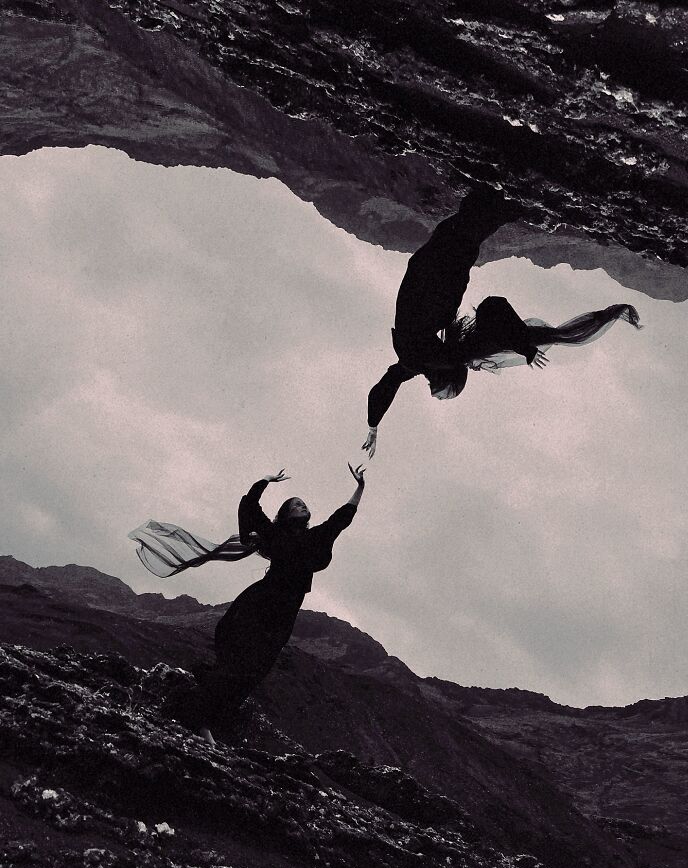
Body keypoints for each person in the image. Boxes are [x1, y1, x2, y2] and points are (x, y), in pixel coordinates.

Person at [362, 188, 641, 457]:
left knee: (482, 218)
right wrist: (524, 345)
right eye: (445, 394)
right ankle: (522, 195)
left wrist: (373, 425)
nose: (435, 396)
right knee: (480, 219)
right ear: (448, 377)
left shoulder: (422, 360)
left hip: (439, 271)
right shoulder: (432, 358)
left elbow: (385, 388)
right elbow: (493, 309)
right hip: (436, 269)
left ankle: (520, 196)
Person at [129, 463, 366, 744]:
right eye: (296, 504)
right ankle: (199, 720)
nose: (302, 506)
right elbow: (251, 507)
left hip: (284, 615)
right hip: (259, 605)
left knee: (255, 671)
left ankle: (208, 719)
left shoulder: (317, 537)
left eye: (304, 504)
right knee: (240, 662)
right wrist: (264, 480)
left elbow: (343, 517)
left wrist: (360, 487)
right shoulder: (274, 533)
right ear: (286, 514)